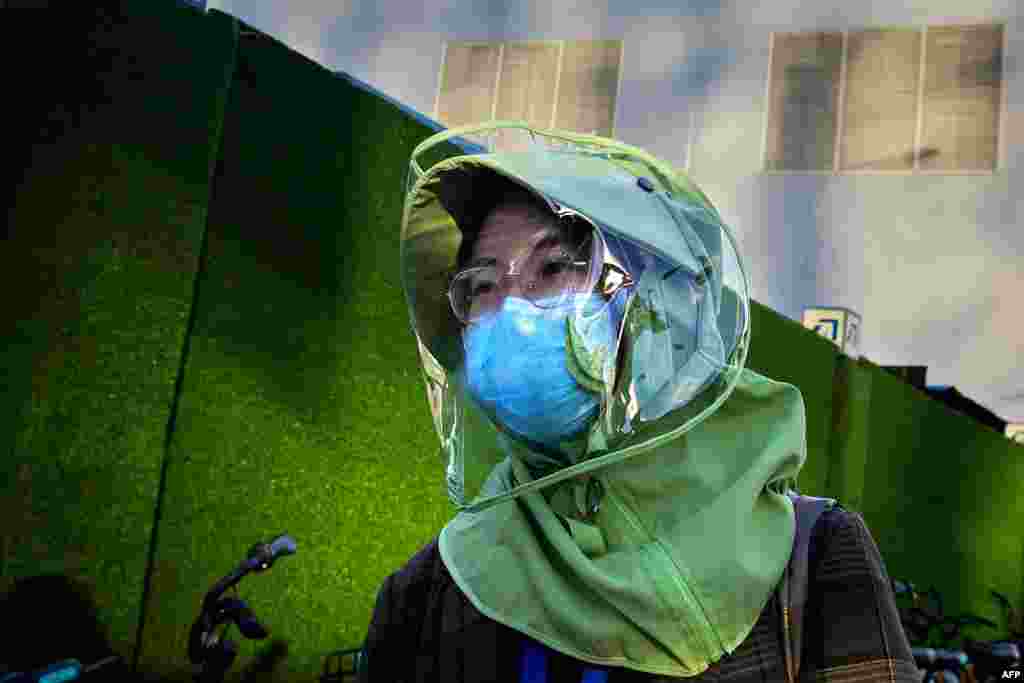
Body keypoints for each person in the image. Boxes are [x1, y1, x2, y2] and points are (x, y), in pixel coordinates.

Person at [357, 123, 919, 682]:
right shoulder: (427, 594)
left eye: (553, 269)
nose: (511, 311)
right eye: (482, 286)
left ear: (657, 307)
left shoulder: (811, 554)